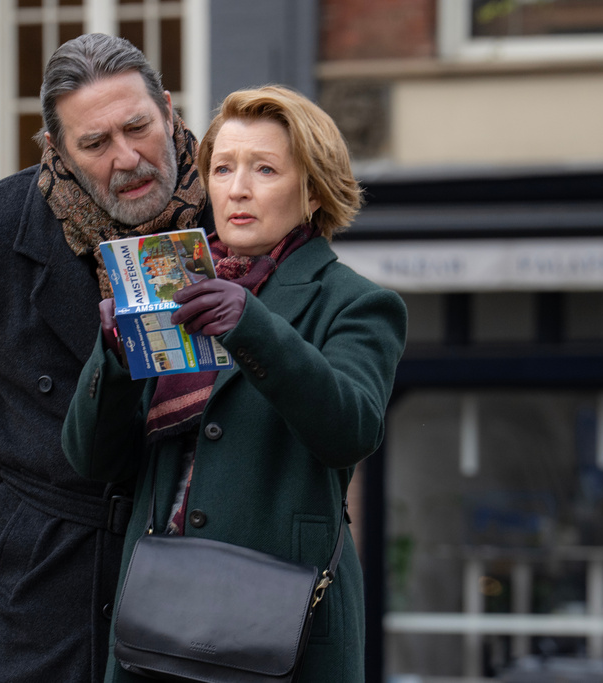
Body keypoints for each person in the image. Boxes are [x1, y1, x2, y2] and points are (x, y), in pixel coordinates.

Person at [61, 85, 408, 682]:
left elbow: (350, 431)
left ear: (313, 191)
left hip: (282, 635)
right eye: (222, 168)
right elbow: (93, 461)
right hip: (158, 624)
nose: (237, 189)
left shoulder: (356, 302)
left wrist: (253, 327)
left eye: (264, 169)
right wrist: (114, 356)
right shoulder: (172, 283)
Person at [0, 33, 211, 682]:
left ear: (168, 110)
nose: (127, 158)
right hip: (32, 584)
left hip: (191, 568)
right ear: (55, 149)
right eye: (95, 143)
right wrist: (42, 447)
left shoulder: (234, 217)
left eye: (138, 127)